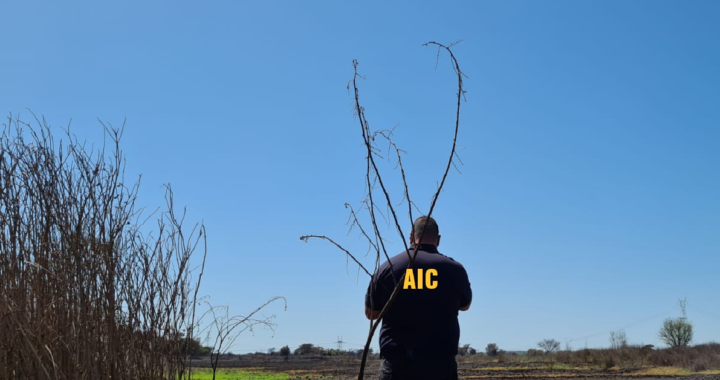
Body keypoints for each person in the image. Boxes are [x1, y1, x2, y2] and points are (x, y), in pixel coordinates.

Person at [365, 216, 472, 380]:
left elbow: (371, 313)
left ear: (410, 237)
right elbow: (465, 305)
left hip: (397, 367)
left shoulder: (388, 268)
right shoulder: (455, 270)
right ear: (438, 239)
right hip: (440, 366)